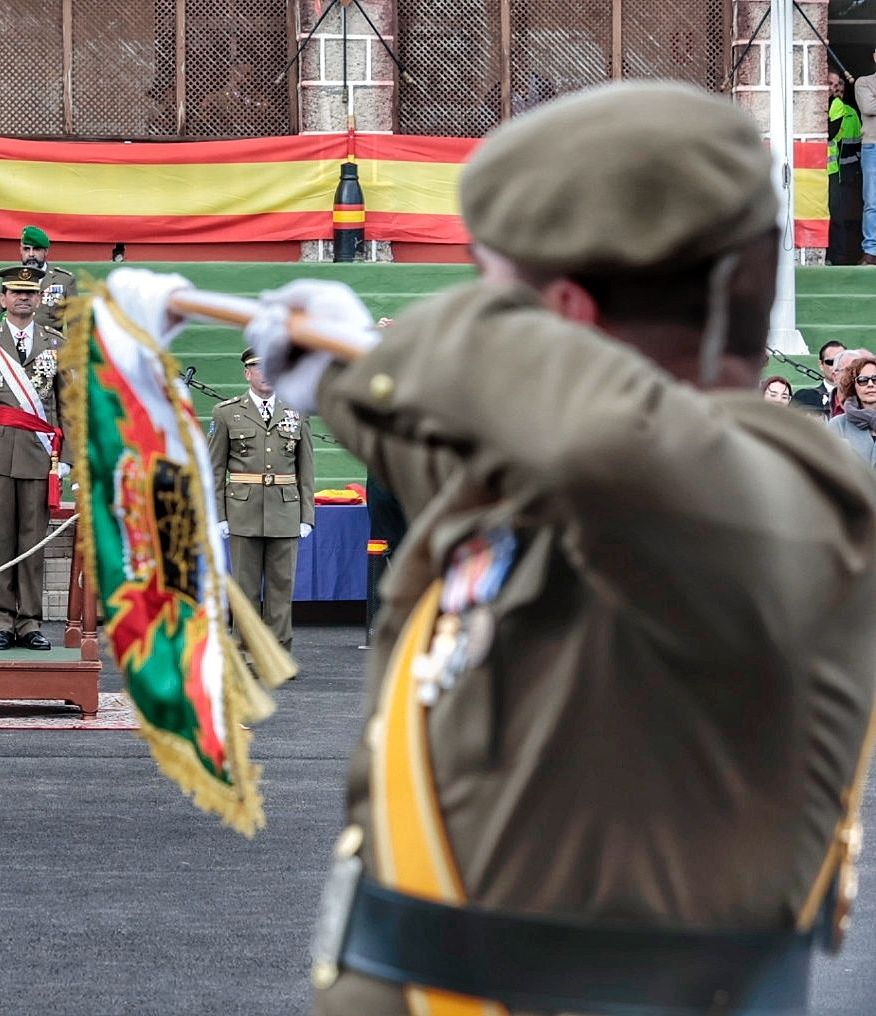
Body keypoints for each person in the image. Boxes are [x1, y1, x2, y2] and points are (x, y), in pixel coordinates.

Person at [226, 81, 876, 1015]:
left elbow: (602, 444)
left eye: (496, 295)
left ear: (562, 321)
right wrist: (339, 379)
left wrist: (382, 354)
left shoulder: (787, 495)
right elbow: (478, 438)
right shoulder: (565, 474)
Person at [0, 265, 71, 651]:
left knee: (33, 542)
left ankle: (30, 621)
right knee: (0, 541)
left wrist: (66, 455)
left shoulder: (55, 344)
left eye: (30, 293)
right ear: (2, 299)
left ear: (39, 299)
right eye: (15, 292)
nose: (23, 298)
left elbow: (67, 403)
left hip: (39, 455)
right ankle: (3, 620)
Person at [206, 347, 315, 652]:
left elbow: (306, 468)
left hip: (285, 510)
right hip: (243, 511)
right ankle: (245, 649)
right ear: (247, 373)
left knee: (282, 587)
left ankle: (279, 652)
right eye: (258, 368)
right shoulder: (226, 413)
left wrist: (307, 515)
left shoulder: (296, 411)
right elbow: (215, 469)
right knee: (245, 587)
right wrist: (218, 515)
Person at [828, 68, 863, 266]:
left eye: (838, 84)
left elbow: (856, 142)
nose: (836, 88)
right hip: (826, 170)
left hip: (845, 173)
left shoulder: (848, 112)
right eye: (831, 84)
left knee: (841, 217)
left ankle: (840, 257)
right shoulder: (826, 107)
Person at [19, 226, 77, 331]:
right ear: (21, 251)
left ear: (46, 252)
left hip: (50, 344)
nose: (31, 254)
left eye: (36, 249)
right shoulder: (12, 278)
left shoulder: (64, 280)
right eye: (26, 249)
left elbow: (75, 323)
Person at [827, 353, 876, 467]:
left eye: (875, 379)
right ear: (853, 385)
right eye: (863, 380)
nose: (870, 384)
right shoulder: (838, 425)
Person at [854, 51, 876, 265]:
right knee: (872, 201)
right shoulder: (864, 82)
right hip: (873, 146)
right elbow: (868, 107)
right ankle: (871, 252)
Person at [790, 339, 844, 417]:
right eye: (830, 362)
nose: (836, 367)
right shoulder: (803, 398)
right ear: (821, 365)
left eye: (840, 361)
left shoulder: (859, 397)